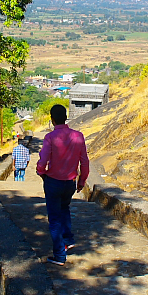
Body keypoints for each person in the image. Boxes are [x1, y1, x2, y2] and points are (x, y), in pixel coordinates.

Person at [36, 104, 89, 266]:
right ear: (66, 117)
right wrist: (82, 180)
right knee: (65, 208)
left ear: (52, 119)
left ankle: (59, 255)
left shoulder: (50, 137)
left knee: (54, 219)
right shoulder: (78, 136)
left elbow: (43, 162)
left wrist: (41, 172)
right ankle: (68, 239)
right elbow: (84, 162)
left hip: (53, 181)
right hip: (70, 182)